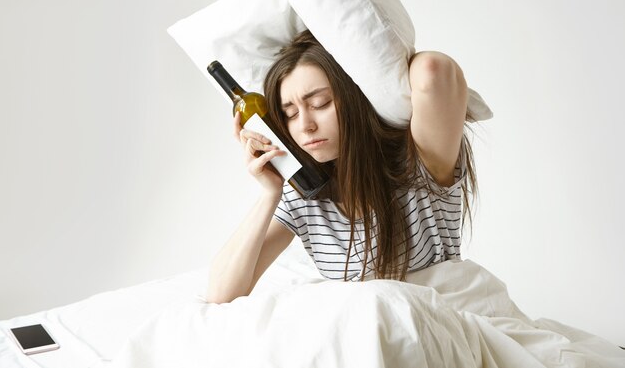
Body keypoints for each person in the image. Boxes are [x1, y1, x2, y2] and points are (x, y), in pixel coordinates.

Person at [205, 30, 478, 304]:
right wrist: (270, 194)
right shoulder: (303, 197)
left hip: (434, 325)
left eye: (320, 103)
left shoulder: (419, 161)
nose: (305, 126)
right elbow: (221, 293)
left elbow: (435, 71)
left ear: (353, 98)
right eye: (290, 113)